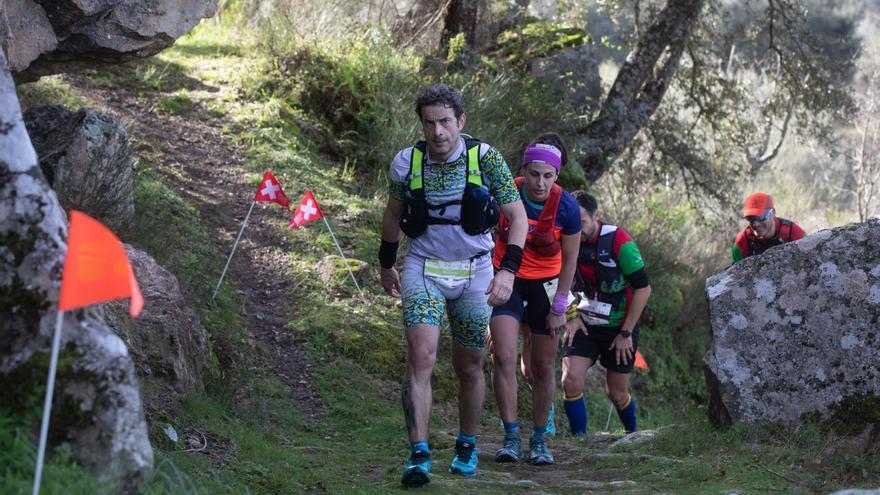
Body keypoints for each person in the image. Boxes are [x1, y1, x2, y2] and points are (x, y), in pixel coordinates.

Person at [378, 83, 528, 487]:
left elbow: (518, 217)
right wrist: (386, 264)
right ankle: (419, 454)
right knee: (421, 356)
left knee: (468, 365)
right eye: (430, 123)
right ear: (422, 125)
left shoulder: (487, 159)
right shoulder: (406, 163)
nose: (438, 132)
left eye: (445, 122)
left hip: (475, 271)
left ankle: (466, 444)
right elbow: (393, 216)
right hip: (423, 267)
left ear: (461, 121)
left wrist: (507, 271)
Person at [489, 133, 580, 465]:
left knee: (542, 367)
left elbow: (570, 261)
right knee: (504, 356)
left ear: (556, 176)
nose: (540, 183)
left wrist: (560, 308)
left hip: (546, 287)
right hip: (508, 279)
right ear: (524, 171)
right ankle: (511, 436)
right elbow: (485, 237)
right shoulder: (506, 192)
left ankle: (540, 439)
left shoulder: (567, 207)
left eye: (548, 176)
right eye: (534, 174)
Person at [560, 191, 651, 437]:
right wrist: (571, 316)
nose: (576, 228)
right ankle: (579, 439)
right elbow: (558, 279)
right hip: (584, 324)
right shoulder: (564, 236)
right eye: (571, 221)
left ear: (596, 215)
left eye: (582, 222)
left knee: (616, 392)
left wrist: (626, 332)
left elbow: (643, 288)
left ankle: (633, 436)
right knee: (570, 380)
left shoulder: (619, 240)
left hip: (620, 328)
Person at [731, 192, 806, 264]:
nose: (755, 224)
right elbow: (734, 274)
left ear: (773, 213)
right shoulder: (742, 243)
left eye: (761, 217)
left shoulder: (793, 233)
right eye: (750, 218)